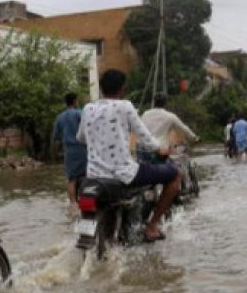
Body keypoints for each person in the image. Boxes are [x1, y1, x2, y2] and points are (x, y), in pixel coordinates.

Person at [78, 69, 180, 241]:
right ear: (123, 89)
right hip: (124, 174)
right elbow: (146, 138)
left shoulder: (88, 108)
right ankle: (152, 226)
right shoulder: (125, 106)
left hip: (92, 178)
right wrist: (160, 149)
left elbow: (80, 137)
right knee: (175, 174)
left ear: (101, 89)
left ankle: (88, 236)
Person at [52, 92, 85, 204]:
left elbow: (55, 137)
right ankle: (85, 201)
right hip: (83, 150)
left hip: (69, 152)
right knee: (86, 176)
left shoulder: (60, 117)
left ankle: (72, 204)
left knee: (71, 179)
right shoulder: (79, 114)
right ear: (75, 101)